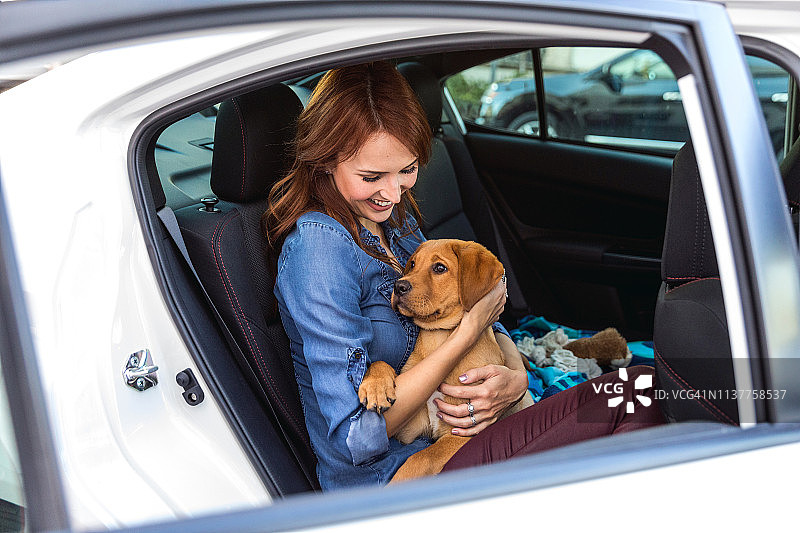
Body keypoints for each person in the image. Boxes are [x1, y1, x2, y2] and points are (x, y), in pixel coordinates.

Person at [264, 61, 664, 491]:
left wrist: (515, 378)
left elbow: (481, 311)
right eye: (372, 176)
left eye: (407, 170)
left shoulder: (394, 223)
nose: (393, 193)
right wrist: (467, 332)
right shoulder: (319, 251)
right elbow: (357, 437)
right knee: (636, 394)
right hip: (393, 476)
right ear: (325, 161)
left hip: (461, 434)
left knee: (647, 390)